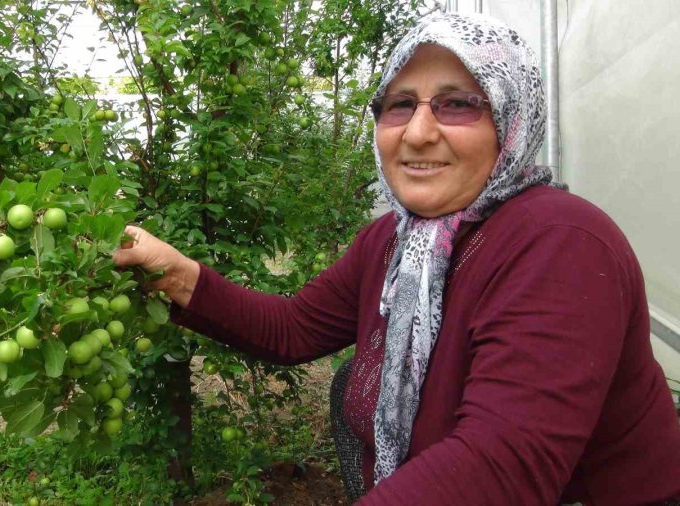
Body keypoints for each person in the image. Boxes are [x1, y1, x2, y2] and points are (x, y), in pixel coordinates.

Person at [112, 12, 680, 505]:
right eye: (399, 104)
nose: (418, 131)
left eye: (458, 104)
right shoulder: (392, 239)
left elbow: (501, 465)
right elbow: (293, 328)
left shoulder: (560, 242)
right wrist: (175, 272)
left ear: (510, 117)